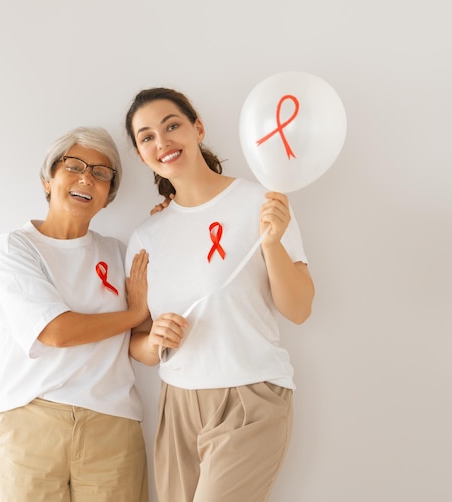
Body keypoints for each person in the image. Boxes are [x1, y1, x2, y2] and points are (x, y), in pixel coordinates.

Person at [124, 88, 315, 502]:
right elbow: (135, 342)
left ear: (197, 128)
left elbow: (299, 310)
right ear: (141, 154)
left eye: (172, 126)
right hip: (177, 403)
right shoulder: (145, 237)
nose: (163, 142)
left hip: (250, 397)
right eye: (147, 137)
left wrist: (271, 243)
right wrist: (154, 340)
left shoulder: (260, 203)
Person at [0, 126, 150, 502]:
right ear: (48, 179)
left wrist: (165, 222)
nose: (86, 178)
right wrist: (132, 314)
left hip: (113, 425)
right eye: (74, 165)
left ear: (108, 196)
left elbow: (144, 328)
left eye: (100, 172)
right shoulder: (15, 247)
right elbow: (56, 332)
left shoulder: (119, 251)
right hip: (32, 421)